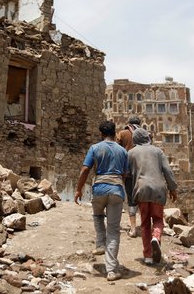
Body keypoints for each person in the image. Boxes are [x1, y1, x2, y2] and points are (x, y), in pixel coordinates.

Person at [74, 121, 129, 282]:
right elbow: (125, 174)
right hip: (117, 189)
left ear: (101, 134)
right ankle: (111, 270)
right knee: (113, 230)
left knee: (97, 215)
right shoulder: (123, 152)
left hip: (99, 188)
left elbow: (85, 169)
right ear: (114, 133)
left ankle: (100, 244)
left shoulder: (95, 148)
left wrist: (79, 189)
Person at [127, 128, 178, 265]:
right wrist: (173, 189)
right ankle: (156, 237)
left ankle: (148, 256)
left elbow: (127, 174)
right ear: (148, 138)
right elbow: (167, 170)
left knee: (144, 223)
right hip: (158, 190)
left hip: (141, 189)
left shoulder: (131, 153)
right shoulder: (158, 151)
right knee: (158, 219)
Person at [115, 116, 142, 237]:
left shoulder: (122, 133)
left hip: (128, 171)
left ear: (128, 123)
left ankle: (133, 228)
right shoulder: (144, 134)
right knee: (143, 198)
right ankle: (146, 226)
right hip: (143, 171)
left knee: (131, 198)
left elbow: (117, 150)